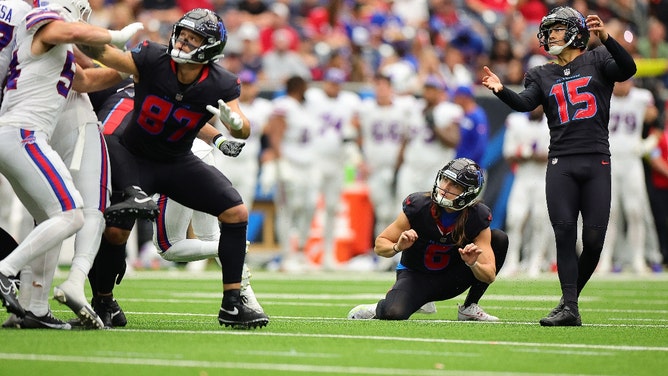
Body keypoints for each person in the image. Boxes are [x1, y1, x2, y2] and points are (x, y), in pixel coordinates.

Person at [79, 8, 269, 329]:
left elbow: (242, 126)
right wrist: (99, 37)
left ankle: (233, 302)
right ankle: (103, 299)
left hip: (177, 161)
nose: (182, 41)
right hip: (135, 157)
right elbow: (108, 57)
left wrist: (235, 127)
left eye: (192, 38)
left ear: (208, 47)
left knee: (236, 212)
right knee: (116, 230)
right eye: (182, 34)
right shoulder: (154, 59)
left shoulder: (220, 82)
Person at [481, 6, 637, 326]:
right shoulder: (542, 72)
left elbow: (628, 68)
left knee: (593, 241)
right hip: (561, 160)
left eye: (557, 28)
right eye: (548, 29)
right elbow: (526, 103)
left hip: (596, 158)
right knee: (564, 234)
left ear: (576, 34)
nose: (550, 35)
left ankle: (569, 300)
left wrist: (607, 38)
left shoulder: (596, 59)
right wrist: (501, 90)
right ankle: (570, 309)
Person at [0, 0, 142, 327]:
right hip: (23, 134)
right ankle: (6, 270)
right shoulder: (49, 23)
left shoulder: (55, 50)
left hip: (19, 135)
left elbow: (85, 80)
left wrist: (128, 67)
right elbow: (71, 29)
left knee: (48, 217)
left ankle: (33, 309)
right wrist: (114, 35)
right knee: (73, 213)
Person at [347, 158, 507, 321]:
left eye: (455, 185)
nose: (445, 188)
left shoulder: (477, 216)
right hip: (417, 276)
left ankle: (469, 307)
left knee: (499, 239)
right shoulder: (418, 206)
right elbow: (380, 245)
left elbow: (489, 275)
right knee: (392, 313)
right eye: (445, 179)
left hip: (452, 278)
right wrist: (398, 246)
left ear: (469, 193)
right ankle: (382, 305)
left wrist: (473, 263)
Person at [599, 79, 661, 274]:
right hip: (609, 161)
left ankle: (638, 258)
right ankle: (606, 259)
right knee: (609, 212)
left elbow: (656, 121)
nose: (621, 86)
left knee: (635, 211)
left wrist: (647, 145)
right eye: (617, 82)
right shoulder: (604, 95)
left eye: (625, 81)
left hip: (632, 162)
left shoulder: (642, 98)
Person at [304, 68, 362, 270]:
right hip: (315, 160)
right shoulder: (313, 98)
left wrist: (352, 145)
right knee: (309, 205)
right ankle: (302, 254)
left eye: (337, 83)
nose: (333, 86)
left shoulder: (349, 102)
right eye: (330, 82)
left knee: (331, 208)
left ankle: (328, 255)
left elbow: (354, 127)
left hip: (337, 163)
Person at [261, 75, 319, 272]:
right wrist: (279, 159)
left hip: (308, 165)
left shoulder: (306, 107)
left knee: (309, 206)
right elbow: (275, 133)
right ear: (300, 87)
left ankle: (301, 252)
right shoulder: (284, 105)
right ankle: (287, 255)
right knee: (288, 209)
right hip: (290, 164)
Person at [501, 106, 553, 278]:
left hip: (543, 179)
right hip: (522, 179)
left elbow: (551, 155)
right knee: (514, 220)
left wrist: (528, 153)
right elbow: (508, 155)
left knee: (540, 221)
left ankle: (536, 262)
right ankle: (512, 262)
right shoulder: (516, 121)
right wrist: (524, 154)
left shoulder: (551, 122)